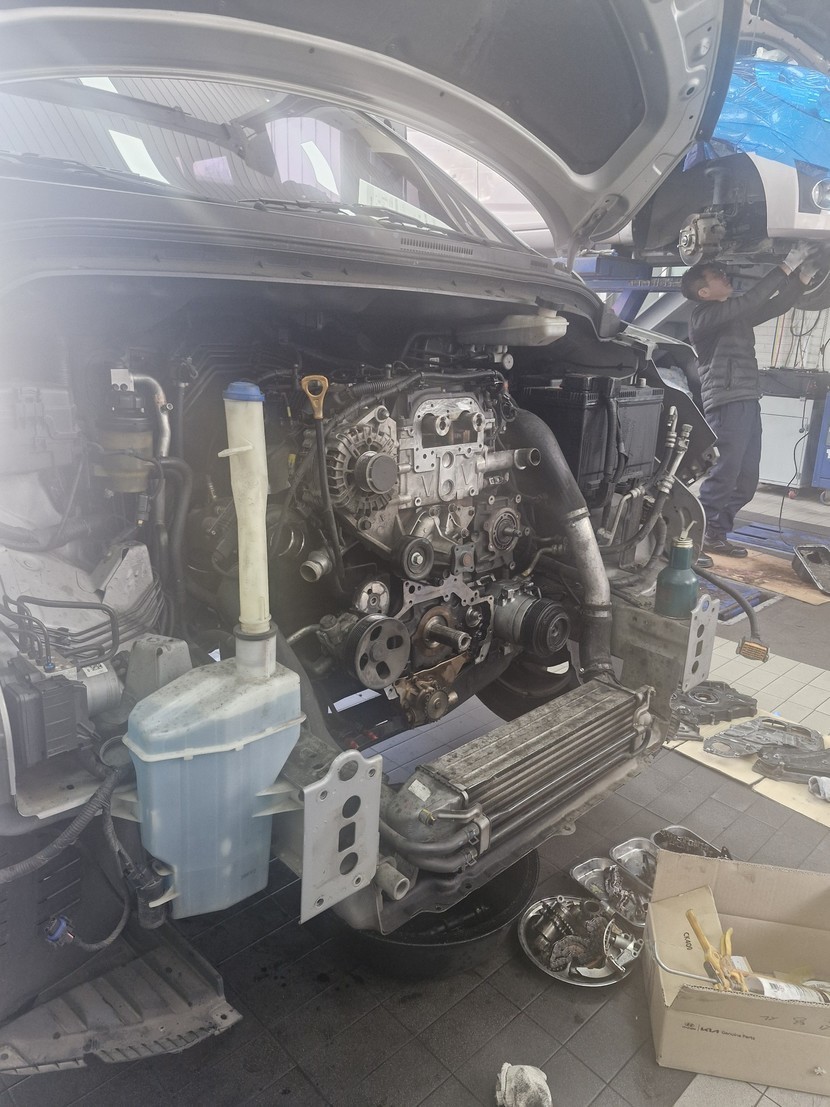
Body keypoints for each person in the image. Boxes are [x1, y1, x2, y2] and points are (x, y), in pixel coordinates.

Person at [680, 244, 820, 558]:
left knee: (746, 481)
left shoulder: (734, 316)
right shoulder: (703, 316)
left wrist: (804, 277)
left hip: (746, 399)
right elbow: (753, 299)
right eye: (716, 275)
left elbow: (776, 305)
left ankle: (714, 534)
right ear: (704, 292)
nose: (724, 275)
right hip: (726, 401)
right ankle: (690, 539)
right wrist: (787, 265)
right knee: (725, 474)